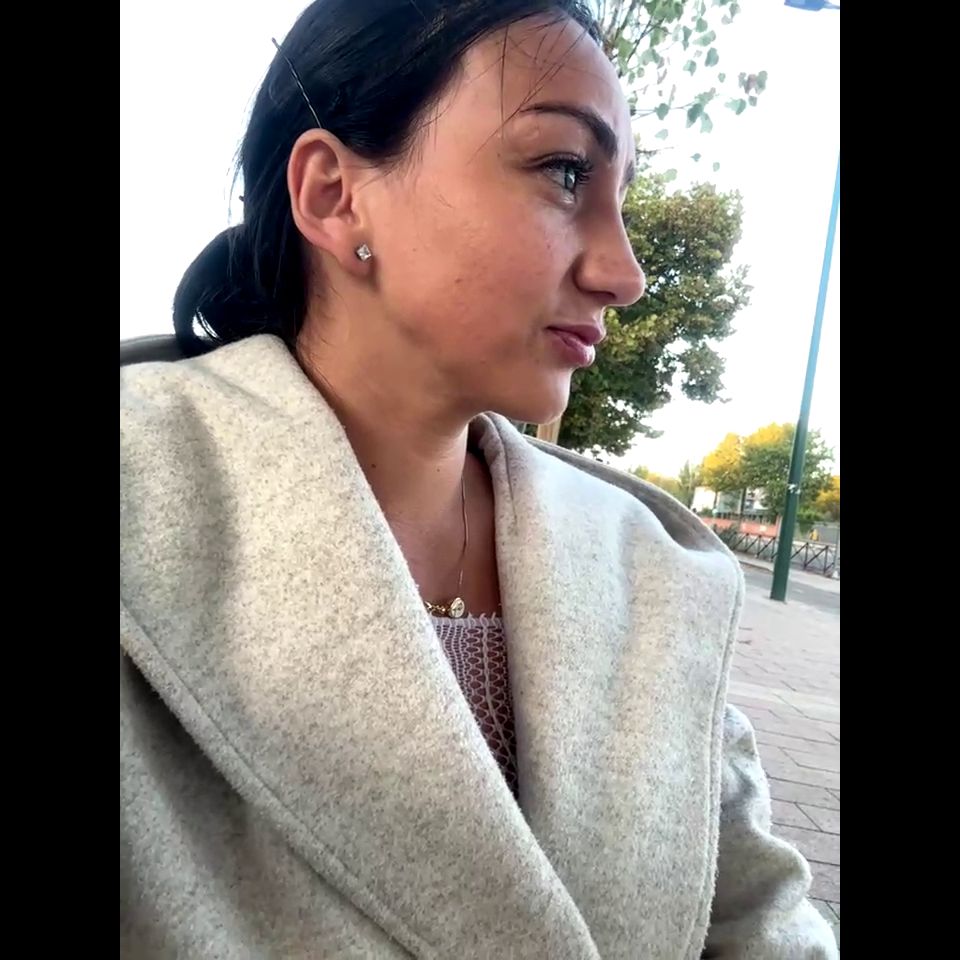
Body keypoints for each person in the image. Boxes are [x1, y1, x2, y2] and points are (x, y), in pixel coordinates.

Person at [120, 1, 838, 956]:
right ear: (334, 195)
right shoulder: (142, 500)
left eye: (621, 195)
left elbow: (756, 913)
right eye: (565, 171)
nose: (624, 273)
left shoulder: (652, 571)